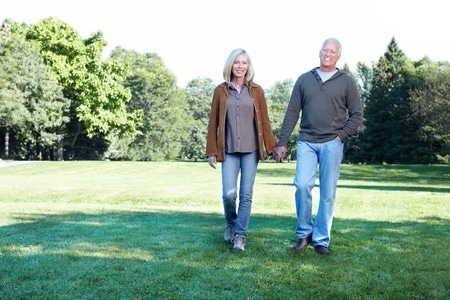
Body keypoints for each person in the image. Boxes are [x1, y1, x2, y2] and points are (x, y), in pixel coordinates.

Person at [273, 38, 363, 255]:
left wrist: (340, 137)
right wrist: (282, 142)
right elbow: (292, 112)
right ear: (319, 52)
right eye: (325, 50)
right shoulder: (304, 79)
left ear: (338, 56)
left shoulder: (347, 82)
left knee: (328, 193)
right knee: (302, 185)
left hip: (332, 143)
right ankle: (304, 234)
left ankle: (321, 239)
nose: (328, 54)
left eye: (332, 51)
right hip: (306, 142)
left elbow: (357, 114)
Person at [206, 48, 277, 252]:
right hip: (228, 149)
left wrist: (272, 148)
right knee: (229, 195)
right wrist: (212, 150)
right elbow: (213, 123)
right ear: (231, 65)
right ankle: (230, 222)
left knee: (246, 195)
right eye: (236, 62)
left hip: (251, 150)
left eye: (244, 63)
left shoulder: (256, 91)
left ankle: (240, 235)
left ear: (249, 66)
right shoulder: (220, 91)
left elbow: (264, 121)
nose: (240, 66)